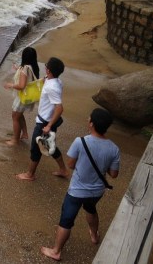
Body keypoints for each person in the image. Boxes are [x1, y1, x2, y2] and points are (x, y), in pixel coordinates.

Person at [41, 109, 120, 261]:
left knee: (67, 219)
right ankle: (94, 235)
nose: (87, 119)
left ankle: (56, 251)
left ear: (92, 124)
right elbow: (114, 174)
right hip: (97, 191)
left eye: (89, 118)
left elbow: (70, 164)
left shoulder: (80, 141)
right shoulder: (113, 148)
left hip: (77, 190)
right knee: (90, 209)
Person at [16, 57, 69, 181]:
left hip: (45, 123)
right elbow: (47, 82)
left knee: (36, 149)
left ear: (48, 70)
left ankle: (30, 174)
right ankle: (63, 170)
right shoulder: (56, 81)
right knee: (50, 145)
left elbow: (59, 108)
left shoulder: (52, 87)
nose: (45, 67)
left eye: (46, 66)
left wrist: (49, 125)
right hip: (47, 121)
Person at [3, 47, 41, 146]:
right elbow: (26, 76)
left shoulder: (25, 69)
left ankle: (15, 140)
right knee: (19, 115)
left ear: (24, 56)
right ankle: (24, 133)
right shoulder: (32, 67)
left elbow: (21, 86)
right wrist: (17, 69)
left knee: (15, 116)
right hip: (27, 97)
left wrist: (10, 85)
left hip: (22, 97)